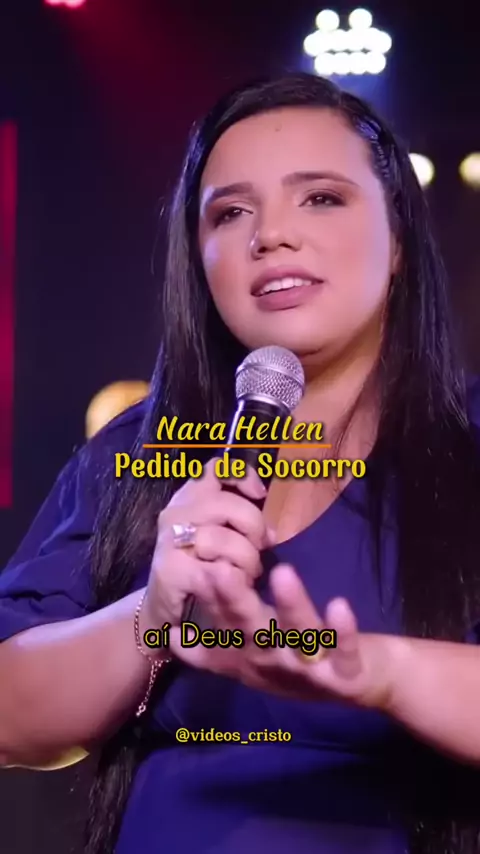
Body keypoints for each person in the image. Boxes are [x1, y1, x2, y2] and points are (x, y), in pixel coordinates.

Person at [1, 72, 480, 854]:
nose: (272, 235)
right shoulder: (134, 456)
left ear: (398, 239)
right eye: (230, 212)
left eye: (320, 198)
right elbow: (11, 719)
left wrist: (378, 673)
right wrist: (151, 615)